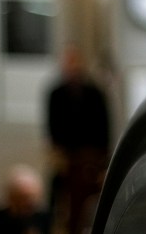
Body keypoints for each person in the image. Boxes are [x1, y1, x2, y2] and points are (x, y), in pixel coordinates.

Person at [46, 45, 111, 234]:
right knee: (57, 188)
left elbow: (104, 126)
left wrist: (101, 158)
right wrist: (59, 154)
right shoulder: (56, 93)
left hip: (91, 154)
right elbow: (52, 127)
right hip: (68, 154)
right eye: (68, 64)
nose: (72, 68)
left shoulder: (95, 93)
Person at [0, 164, 50, 234]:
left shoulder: (47, 220)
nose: (27, 204)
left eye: (32, 199)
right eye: (21, 199)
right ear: (10, 198)